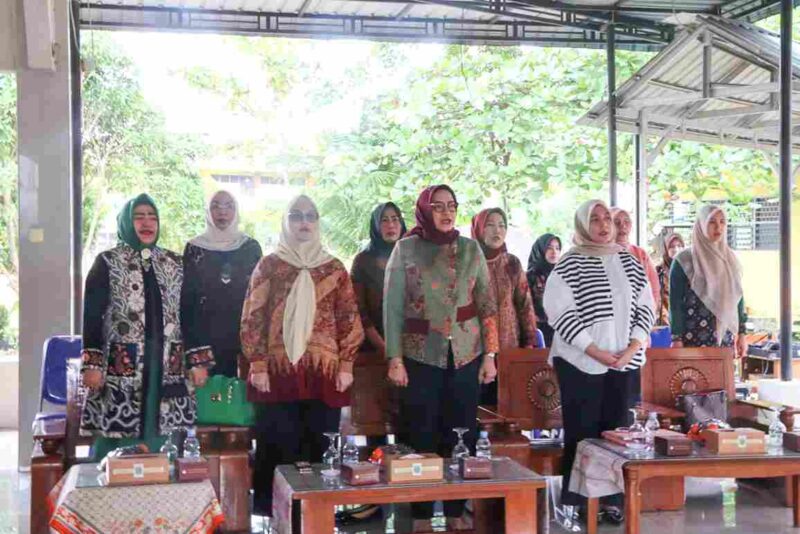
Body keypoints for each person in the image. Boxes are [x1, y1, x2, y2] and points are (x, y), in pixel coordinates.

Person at [384, 185, 499, 532]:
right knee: (421, 435)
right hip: (421, 355)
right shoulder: (406, 249)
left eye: (452, 206)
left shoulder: (470, 249)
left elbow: (487, 304)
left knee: (460, 433)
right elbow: (392, 308)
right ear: (424, 210)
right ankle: (419, 516)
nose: (446, 213)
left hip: (466, 354)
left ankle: (453, 514)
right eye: (438, 207)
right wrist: (395, 358)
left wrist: (490, 354)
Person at [240, 195, 364, 516]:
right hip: (277, 374)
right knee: (278, 446)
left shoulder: (334, 268)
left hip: (324, 373)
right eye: (296, 216)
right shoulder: (270, 265)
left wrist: (347, 364)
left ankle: (316, 518)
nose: (304, 222)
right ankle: (277, 520)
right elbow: (253, 314)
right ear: (286, 222)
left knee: (319, 449)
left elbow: (348, 317)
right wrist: (257, 363)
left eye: (310, 216)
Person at [544, 199, 655, 524]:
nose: (603, 225)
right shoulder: (570, 263)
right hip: (580, 362)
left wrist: (634, 345)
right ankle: (576, 502)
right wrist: (593, 350)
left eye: (607, 218)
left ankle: (612, 499)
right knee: (583, 432)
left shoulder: (630, 261)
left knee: (618, 432)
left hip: (625, 361)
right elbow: (559, 311)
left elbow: (646, 305)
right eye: (595, 219)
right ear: (582, 225)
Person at [80, 194, 211, 460]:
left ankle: (161, 487)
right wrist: (92, 365)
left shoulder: (176, 264)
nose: (146, 223)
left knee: (164, 432)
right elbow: (92, 316)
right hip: (122, 366)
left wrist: (197, 361)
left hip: (167, 365)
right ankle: (107, 486)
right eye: (138, 217)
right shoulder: (107, 262)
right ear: (127, 222)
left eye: (152, 217)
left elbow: (192, 315)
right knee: (117, 435)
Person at [181, 190, 262, 378]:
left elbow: (259, 298)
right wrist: (196, 356)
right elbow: (187, 301)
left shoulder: (250, 247)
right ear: (208, 211)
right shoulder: (195, 248)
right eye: (215, 206)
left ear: (237, 211)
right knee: (209, 402)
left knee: (241, 402)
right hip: (205, 341)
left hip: (243, 342)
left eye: (229, 206)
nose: (222, 212)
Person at [471, 208, 538, 406]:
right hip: (474, 351)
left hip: (510, 349)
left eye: (501, 225)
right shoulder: (468, 263)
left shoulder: (512, 263)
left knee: (508, 411)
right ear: (479, 229)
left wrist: (528, 345)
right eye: (490, 225)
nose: (496, 231)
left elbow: (525, 306)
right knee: (478, 411)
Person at [670, 205, 748, 357]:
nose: (718, 227)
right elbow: (676, 304)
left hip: (723, 339)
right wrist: (677, 338)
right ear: (701, 225)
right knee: (693, 380)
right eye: (711, 222)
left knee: (722, 380)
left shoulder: (729, 259)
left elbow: (738, 297)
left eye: (722, 222)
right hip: (691, 339)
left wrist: (742, 334)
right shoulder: (684, 261)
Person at [350, 202, 407, 357]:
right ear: (376, 225)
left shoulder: (412, 256)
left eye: (395, 219)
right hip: (375, 347)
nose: (391, 225)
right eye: (384, 220)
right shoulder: (363, 261)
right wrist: (384, 347)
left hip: (412, 345)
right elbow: (358, 310)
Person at [611, 208, 660, 306]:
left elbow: (653, 287)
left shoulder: (640, 253)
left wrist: (649, 313)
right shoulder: (603, 253)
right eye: (617, 222)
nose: (623, 226)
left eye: (627, 221)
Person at [527, 233, 562, 347]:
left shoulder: (563, 274)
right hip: (538, 330)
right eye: (549, 248)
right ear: (540, 250)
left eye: (557, 248)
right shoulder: (530, 276)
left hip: (561, 329)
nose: (554, 252)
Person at [655, 232, 684, 326]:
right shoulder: (659, 271)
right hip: (666, 323)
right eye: (671, 246)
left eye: (679, 246)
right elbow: (657, 299)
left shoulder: (690, 269)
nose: (676, 249)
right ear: (666, 249)